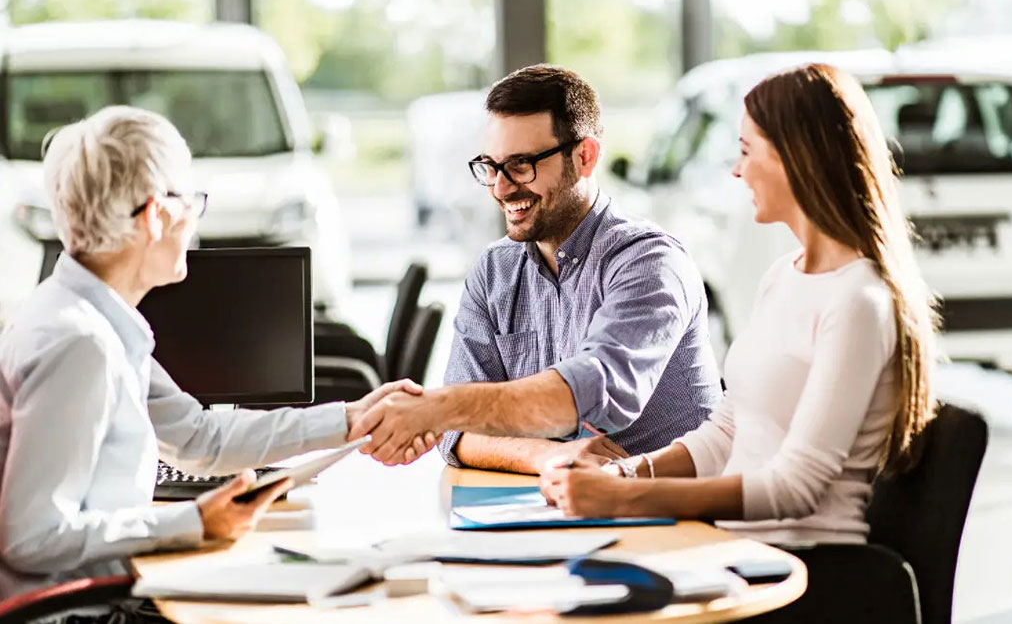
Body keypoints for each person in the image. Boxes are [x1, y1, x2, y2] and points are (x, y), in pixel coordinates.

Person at [0, 106, 430, 609]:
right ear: (157, 214)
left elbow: (198, 438)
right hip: (74, 612)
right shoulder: (81, 342)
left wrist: (352, 419)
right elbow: (31, 537)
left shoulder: (90, 319)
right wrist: (194, 523)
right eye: (192, 201)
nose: (195, 221)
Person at [538, 63, 940, 546]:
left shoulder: (859, 300)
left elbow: (796, 488)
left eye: (747, 151)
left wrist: (624, 501)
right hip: (737, 547)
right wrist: (625, 475)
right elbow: (728, 432)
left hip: (810, 570)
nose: (736, 169)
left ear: (798, 159)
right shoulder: (783, 277)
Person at [349, 65, 722, 473]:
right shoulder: (495, 271)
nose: (500, 187)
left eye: (521, 165)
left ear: (585, 156)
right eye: (491, 167)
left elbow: (592, 393)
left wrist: (438, 408)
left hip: (673, 515)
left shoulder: (650, 262)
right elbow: (458, 436)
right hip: (556, 506)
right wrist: (545, 455)